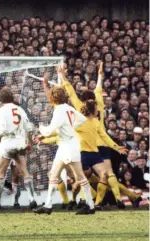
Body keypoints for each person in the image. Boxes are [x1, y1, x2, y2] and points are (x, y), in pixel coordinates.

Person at [59, 63, 142, 208]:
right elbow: (98, 88)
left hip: (86, 144)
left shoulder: (80, 107)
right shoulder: (99, 103)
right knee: (106, 175)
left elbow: (71, 92)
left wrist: (62, 76)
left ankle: (90, 200)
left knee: (85, 176)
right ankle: (125, 197)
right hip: (103, 143)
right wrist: (100, 76)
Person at [33, 86, 95, 215]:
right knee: (53, 174)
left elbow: (50, 129)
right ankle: (48, 205)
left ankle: (90, 206)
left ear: (52, 98)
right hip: (65, 145)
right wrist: (70, 127)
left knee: (80, 177)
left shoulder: (59, 110)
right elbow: (82, 119)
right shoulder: (68, 108)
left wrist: (41, 128)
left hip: (68, 146)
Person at [0, 88, 37, 210]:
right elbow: (28, 127)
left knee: (0, 173)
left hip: (7, 143)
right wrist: (29, 141)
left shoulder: (1, 110)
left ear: (1, 99)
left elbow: (3, 128)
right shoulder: (20, 109)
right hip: (20, 142)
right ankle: (32, 199)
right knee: (25, 171)